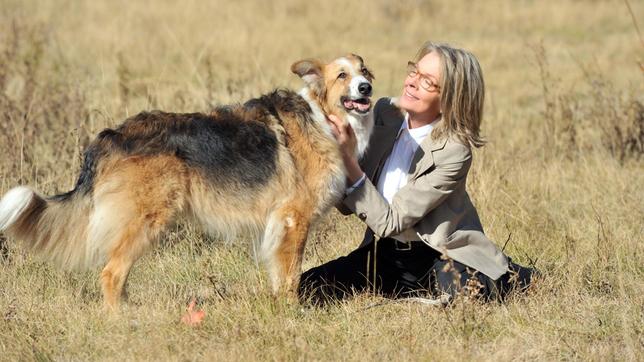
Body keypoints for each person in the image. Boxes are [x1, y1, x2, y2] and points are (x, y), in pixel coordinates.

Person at [298, 41, 537, 304]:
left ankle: (518, 276)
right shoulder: (382, 115)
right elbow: (346, 202)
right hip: (388, 254)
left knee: (468, 298)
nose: (412, 82)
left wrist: (346, 159)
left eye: (427, 82)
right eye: (414, 71)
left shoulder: (454, 151)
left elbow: (391, 222)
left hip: (441, 255)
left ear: (449, 99)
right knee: (309, 286)